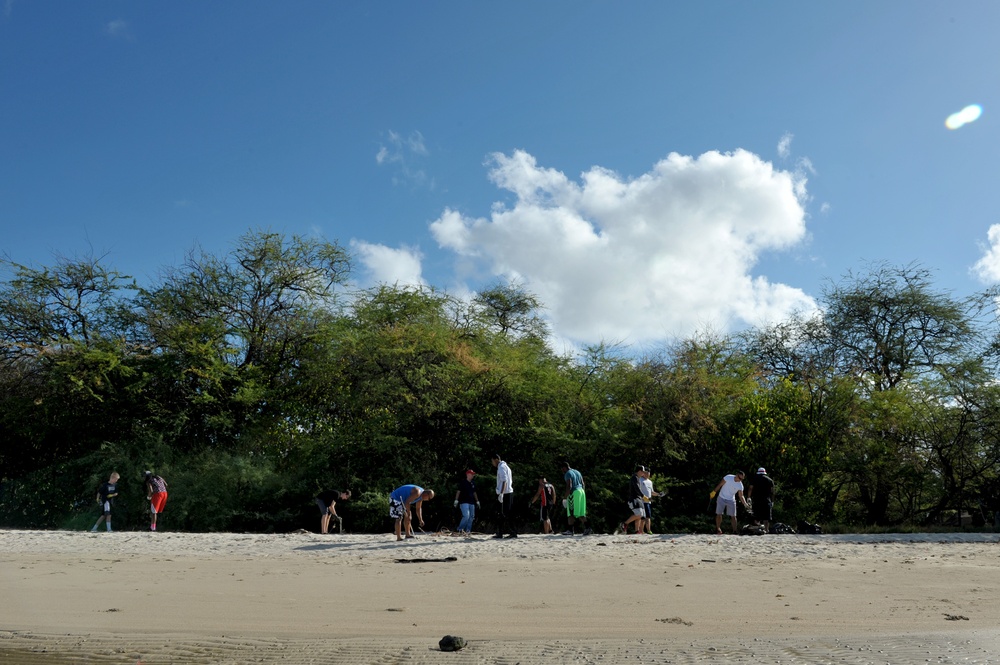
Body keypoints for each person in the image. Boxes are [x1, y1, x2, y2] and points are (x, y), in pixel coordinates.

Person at [711, 470, 751, 535]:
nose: (740, 480)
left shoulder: (740, 485)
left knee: (733, 516)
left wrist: (745, 504)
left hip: (731, 499)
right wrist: (714, 492)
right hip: (721, 497)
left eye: (742, 479)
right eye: (739, 478)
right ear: (736, 475)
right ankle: (718, 529)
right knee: (719, 514)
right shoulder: (728, 477)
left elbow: (741, 496)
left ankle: (734, 531)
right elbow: (720, 485)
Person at [560, 461, 591, 535]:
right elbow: (583, 483)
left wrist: (565, 498)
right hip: (581, 491)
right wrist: (582, 493)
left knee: (570, 512)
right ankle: (588, 527)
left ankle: (570, 530)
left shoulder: (568, 473)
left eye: (562, 469)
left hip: (574, 492)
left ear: (564, 468)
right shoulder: (577, 472)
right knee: (580, 512)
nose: (562, 471)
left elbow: (569, 486)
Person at [491, 454, 516, 538]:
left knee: (504, 513)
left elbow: (504, 481)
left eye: (492, 461)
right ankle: (500, 532)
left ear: (496, 460)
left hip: (505, 493)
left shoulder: (501, 468)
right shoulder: (506, 466)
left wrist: (501, 493)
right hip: (508, 492)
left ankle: (511, 532)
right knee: (503, 513)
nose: (492, 463)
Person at [617, 465, 647, 535]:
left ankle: (637, 531)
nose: (644, 473)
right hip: (634, 499)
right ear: (639, 471)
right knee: (639, 514)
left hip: (638, 498)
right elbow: (637, 488)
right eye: (643, 472)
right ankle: (624, 524)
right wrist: (643, 496)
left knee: (641, 515)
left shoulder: (637, 478)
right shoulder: (634, 478)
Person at [746, 467, 775, 533]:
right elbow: (772, 492)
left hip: (756, 499)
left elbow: (750, 488)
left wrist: (748, 497)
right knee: (766, 517)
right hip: (766, 500)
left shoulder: (754, 479)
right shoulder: (770, 480)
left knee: (756, 515)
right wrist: (772, 501)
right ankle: (766, 529)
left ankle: (757, 529)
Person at [453, 470, 480, 535]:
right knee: (466, 516)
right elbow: (458, 491)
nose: (473, 475)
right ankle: (460, 529)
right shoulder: (463, 482)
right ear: (468, 474)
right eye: (471, 474)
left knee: (472, 516)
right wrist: (456, 500)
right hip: (464, 502)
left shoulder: (473, 483)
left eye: (473, 474)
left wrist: (477, 501)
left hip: (472, 502)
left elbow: (474, 492)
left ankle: (468, 530)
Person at [639, 467, 664, 535]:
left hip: (648, 502)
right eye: (646, 473)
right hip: (641, 501)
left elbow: (652, 492)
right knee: (644, 517)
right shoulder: (640, 480)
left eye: (648, 473)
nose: (647, 474)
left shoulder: (650, 482)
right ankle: (643, 530)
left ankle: (646, 530)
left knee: (647, 517)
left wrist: (658, 494)